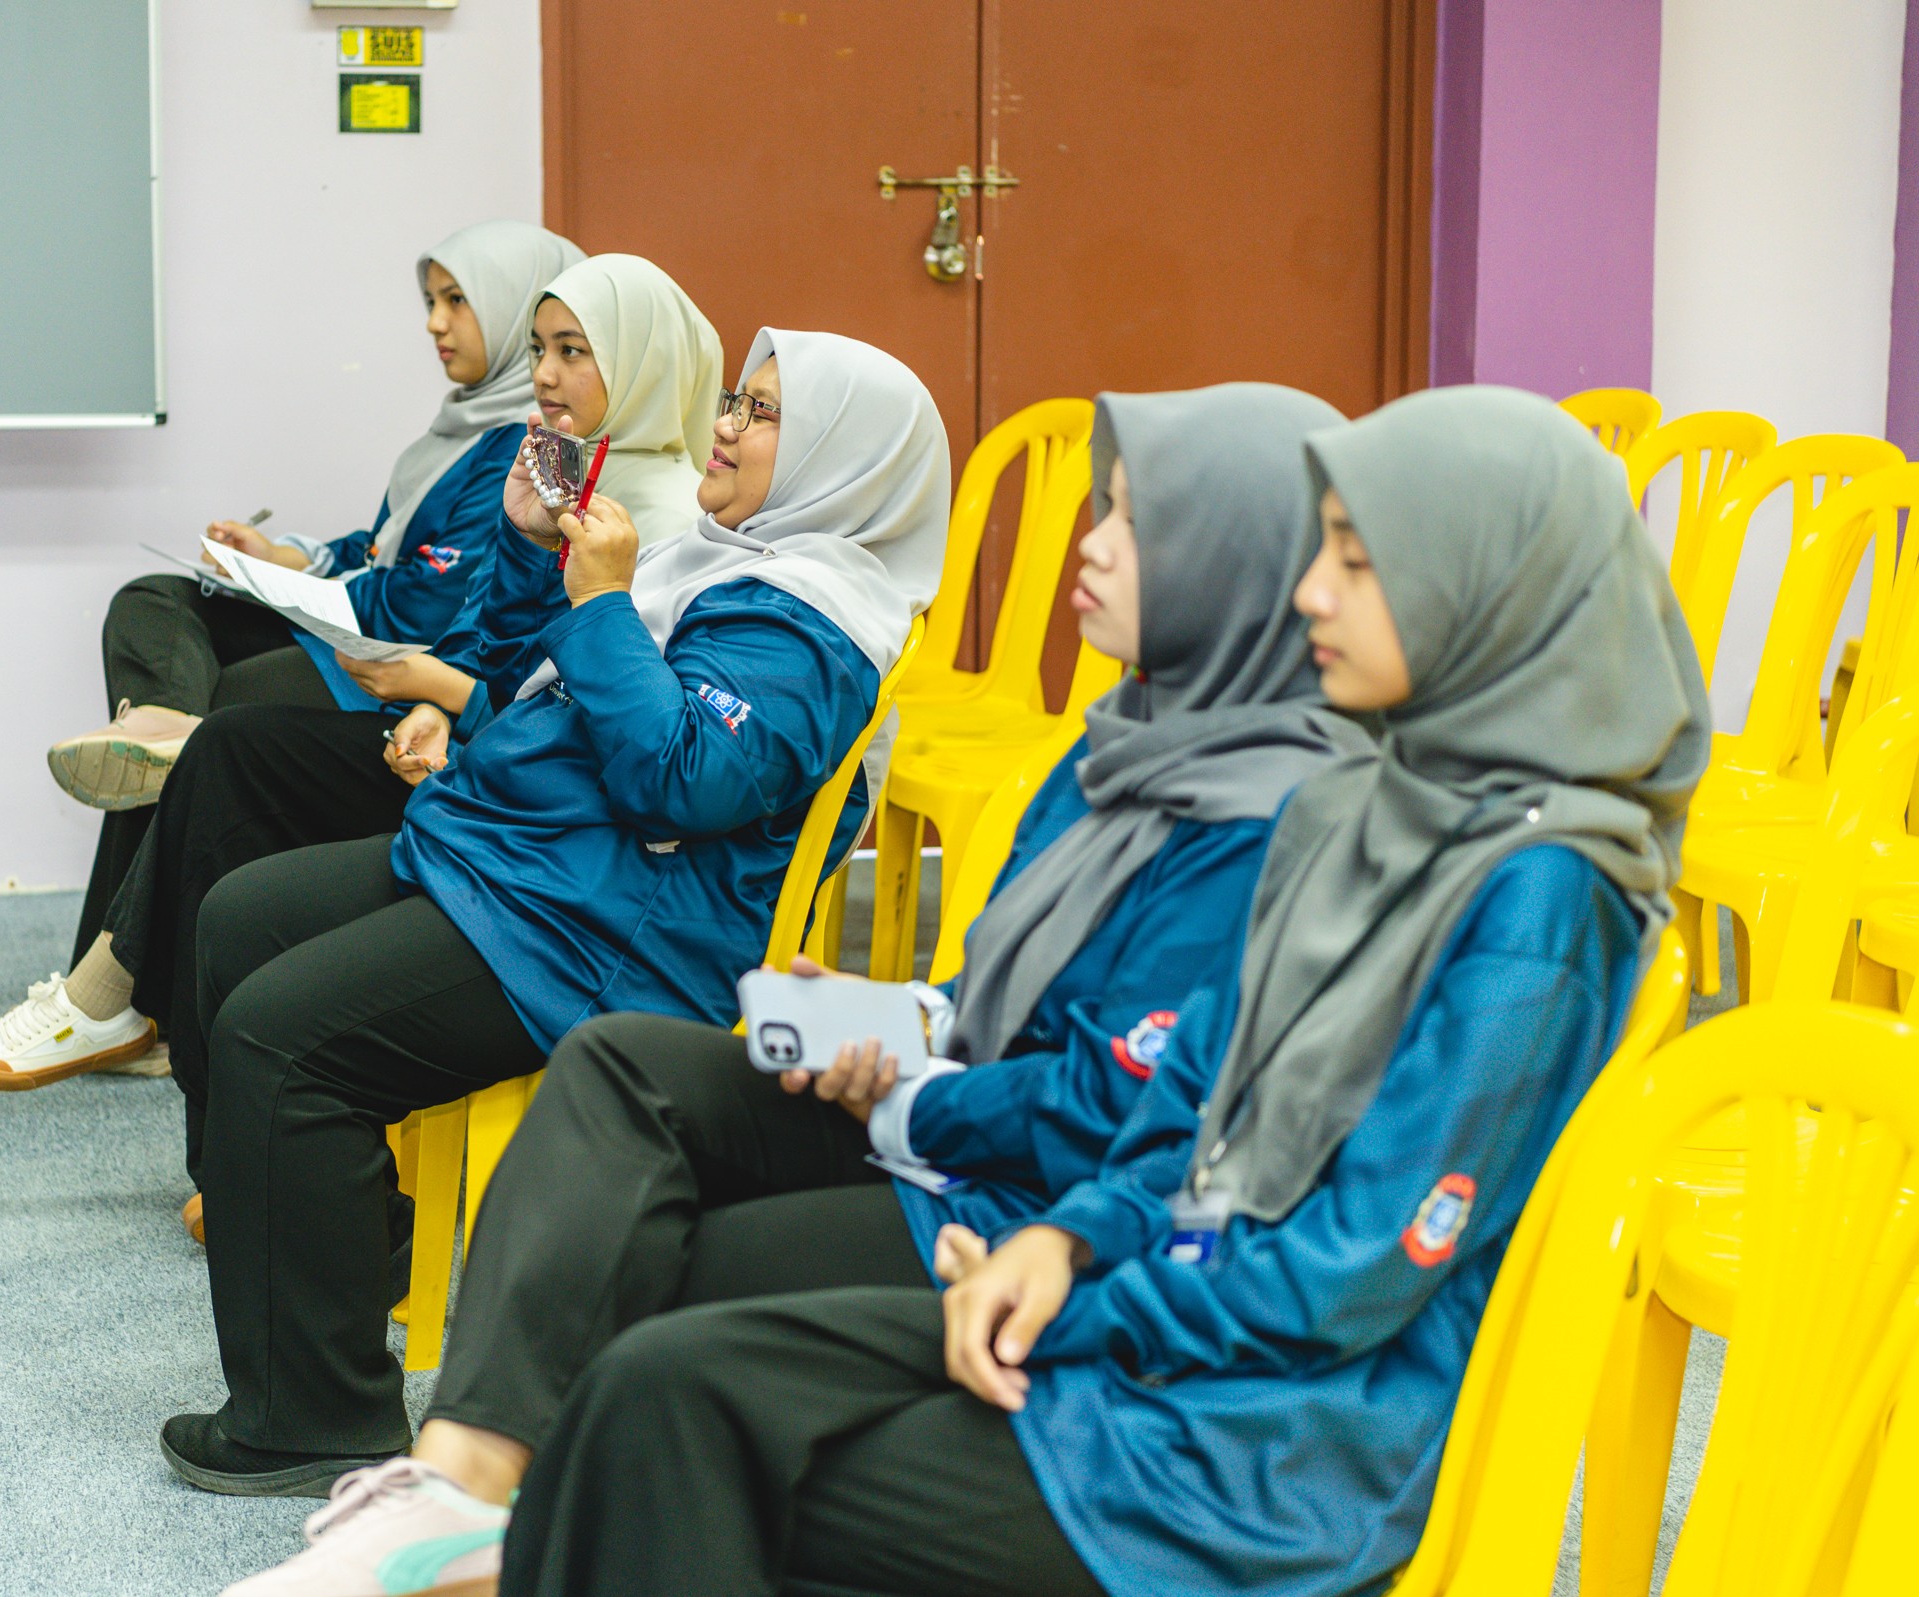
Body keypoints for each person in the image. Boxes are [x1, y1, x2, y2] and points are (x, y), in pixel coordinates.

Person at [245, 385, 1713, 1596]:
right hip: (1124, 1312)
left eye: (1360, 562)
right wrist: (1063, 1240)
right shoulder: (1367, 811)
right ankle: (472, 1509)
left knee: (668, 1417)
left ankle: (488, 1532)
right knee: (657, 1383)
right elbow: (1193, 1111)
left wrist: (1060, 1275)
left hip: (1229, 1451)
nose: (1314, 591)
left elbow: (1346, 1268)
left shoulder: (1537, 898)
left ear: (1491, 594)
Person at [159, 329, 951, 1504]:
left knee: (279, 1039)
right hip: (529, 863)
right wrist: (542, 556)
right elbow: (545, 677)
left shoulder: (815, 627)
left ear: (844, 457)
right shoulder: (725, 558)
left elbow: (678, 780)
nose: (727, 424)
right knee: (239, 919)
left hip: (604, 933)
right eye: (735, 399)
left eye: (765, 413)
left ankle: (316, 1417)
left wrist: (608, 602)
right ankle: (338, 1234)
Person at [0, 255, 720, 1114]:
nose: (542, 373)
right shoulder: (563, 472)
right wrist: (455, 668)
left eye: (572, 351)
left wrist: (451, 694)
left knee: (228, 749)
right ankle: (141, 1025)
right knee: (216, 734)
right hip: (469, 755)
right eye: (538, 348)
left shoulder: (668, 524)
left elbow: (587, 727)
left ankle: (116, 1002)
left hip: (526, 819)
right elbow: (492, 645)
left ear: (644, 362)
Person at [43, 220, 580, 977]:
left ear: (510, 304)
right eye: (431, 301)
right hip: (348, 625)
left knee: (218, 726)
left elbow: (430, 600)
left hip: (392, 659)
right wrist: (286, 555)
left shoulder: (527, 447)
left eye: (458, 301)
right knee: (153, 602)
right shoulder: (458, 426)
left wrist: (302, 586)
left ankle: (114, 987)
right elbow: (385, 544)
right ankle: (161, 722)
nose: (435, 323)